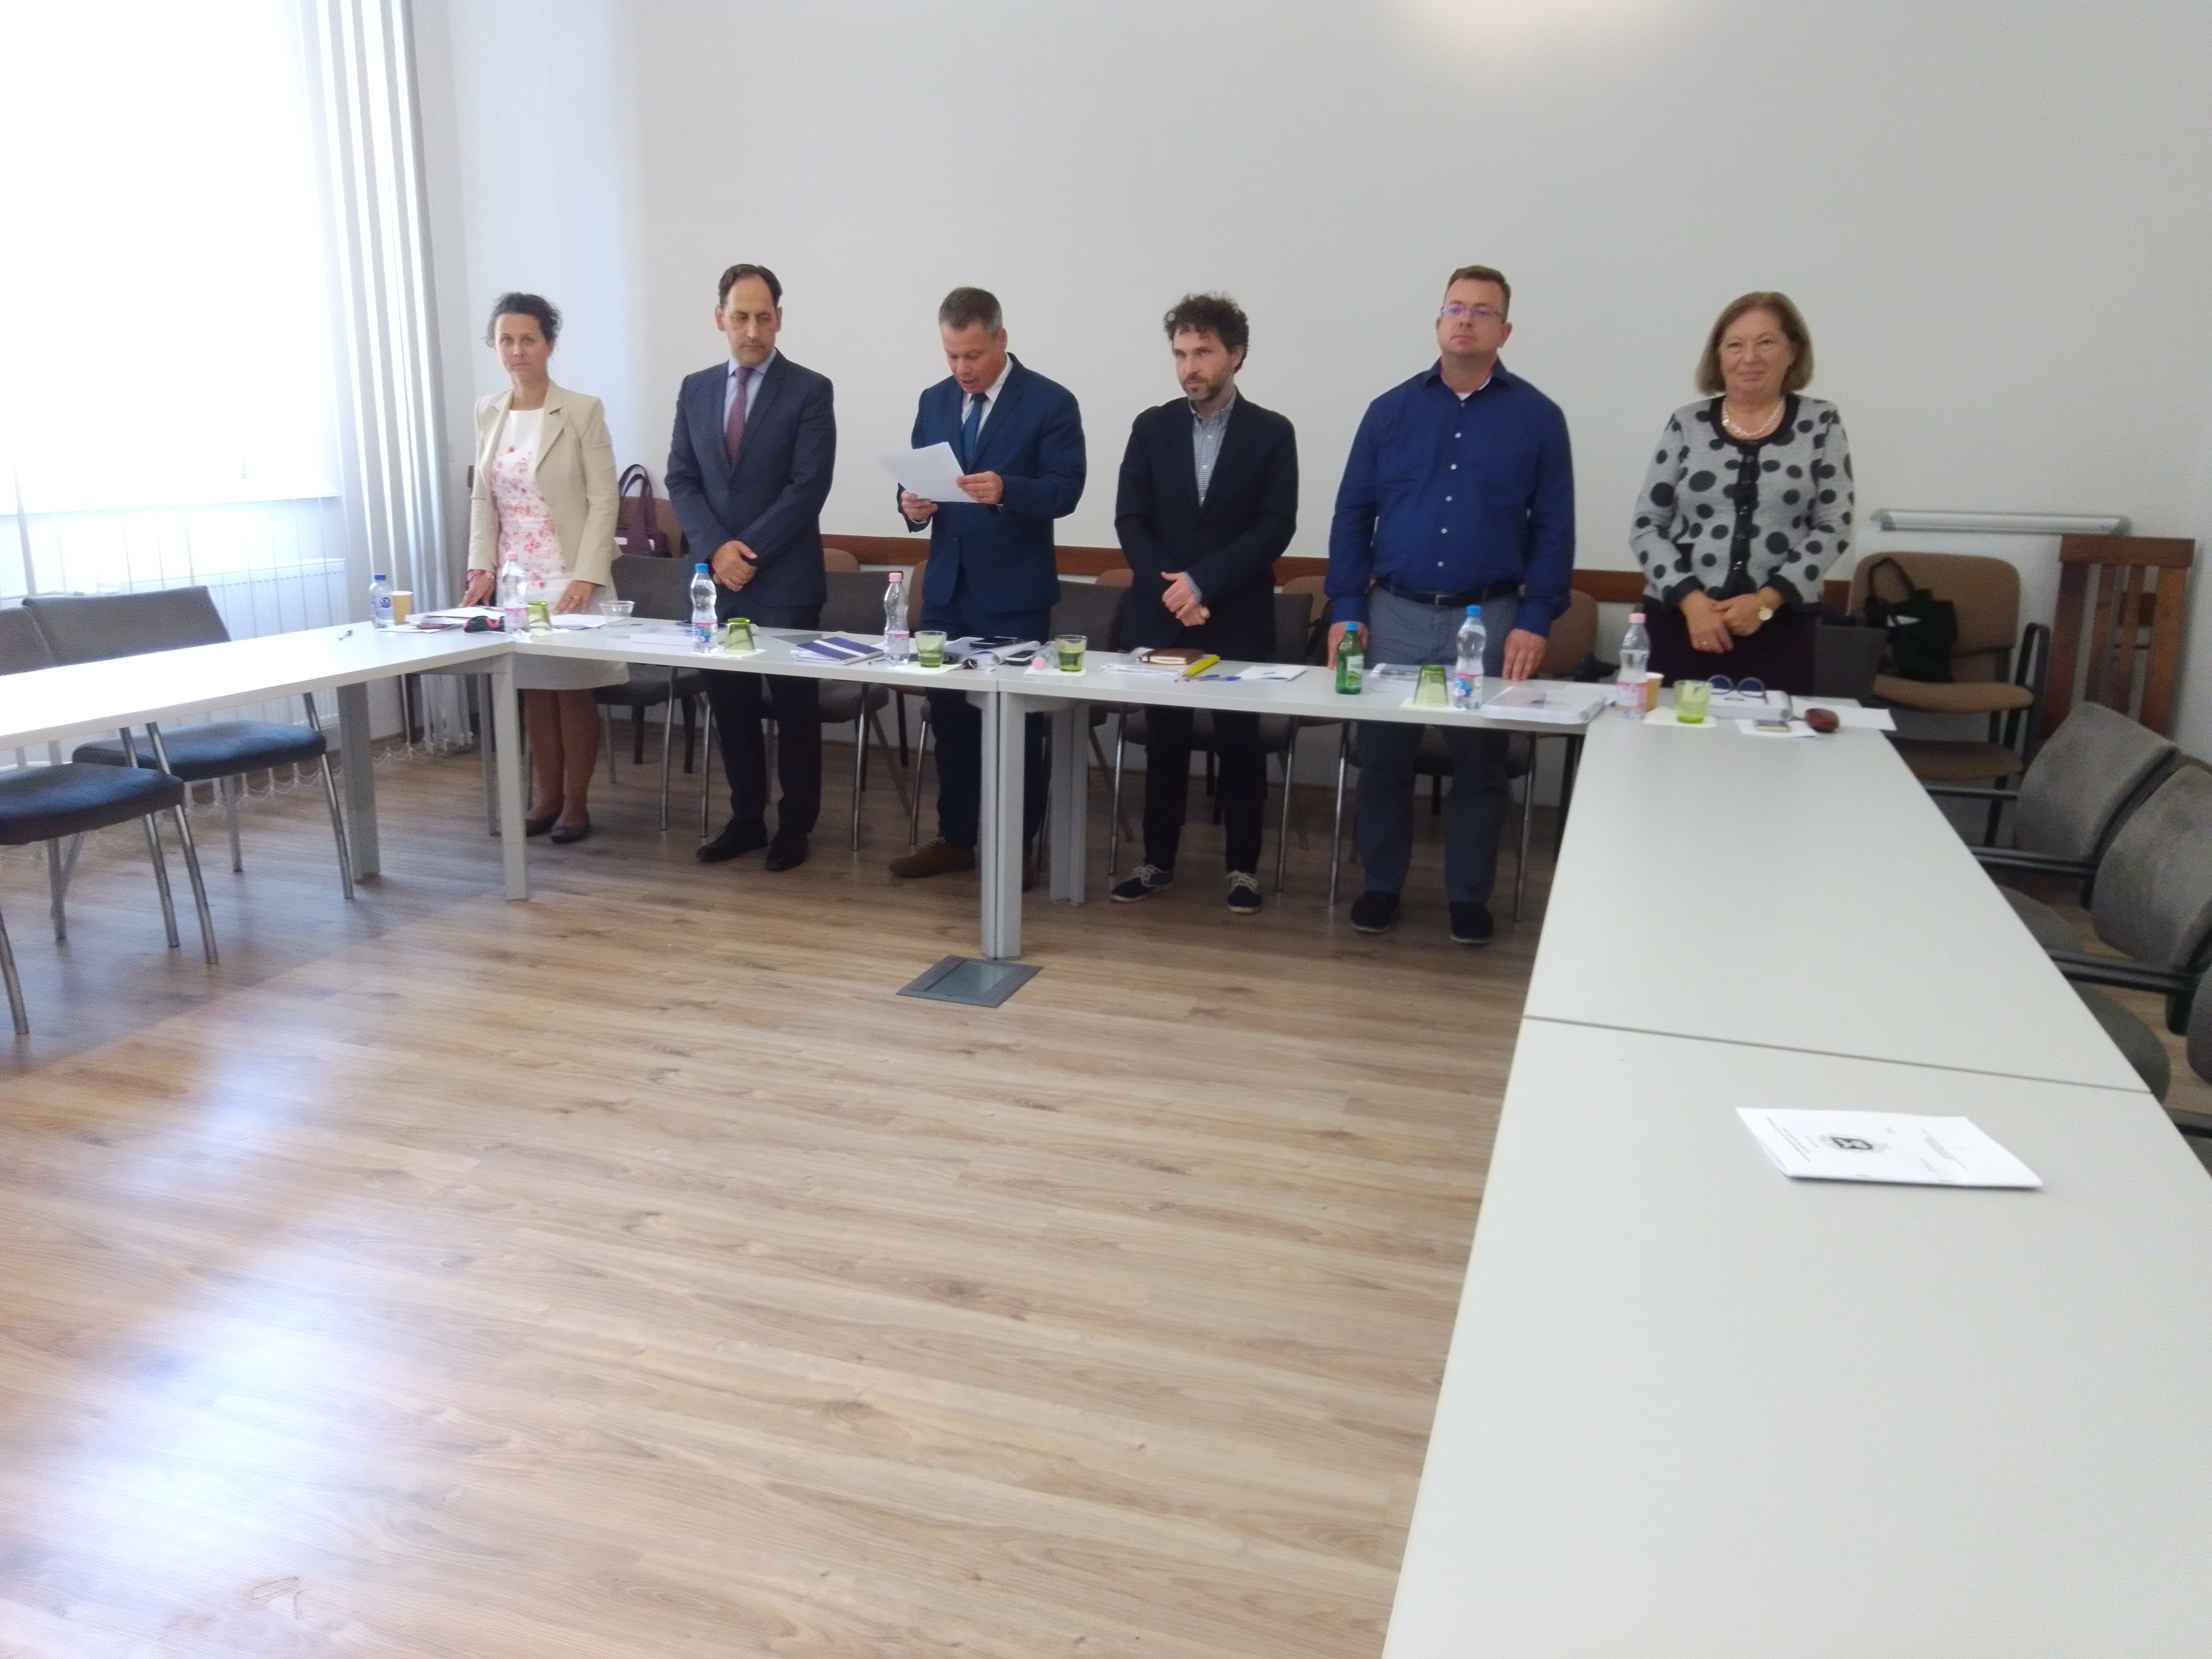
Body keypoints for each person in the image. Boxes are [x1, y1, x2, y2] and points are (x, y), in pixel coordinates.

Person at [1325, 264, 1573, 946]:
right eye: (1455, 307)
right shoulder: (1389, 412)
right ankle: (1381, 885)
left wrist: (1535, 618)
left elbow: (1554, 526)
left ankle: (1467, 895)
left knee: (1480, 766)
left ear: (1505, 331)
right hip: (1393, 613)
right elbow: (1353, 514)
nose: (1466, 320)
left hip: (1487, 617)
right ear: (1437, 321)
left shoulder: (1537, 419)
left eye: (1482, 311)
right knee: (1383, 759)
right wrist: (1346, 608)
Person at [1110, 294, 1297, 915]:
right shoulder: (1151, 427)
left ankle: (1242, 869)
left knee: (1239, 744)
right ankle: (1156, 862)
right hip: (1163, 614)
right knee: (1163, 744)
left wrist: (1202, 583)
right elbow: (1131, 519)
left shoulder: (1271, 433)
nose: (1189, 366)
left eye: (1202, 352)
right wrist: (1175, 591)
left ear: (1235, 355)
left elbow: (1273, 527)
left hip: (1235, 614)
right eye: (1180, 354)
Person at [890, 287, 1085, 880]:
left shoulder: (1050, 402)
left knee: (1017, 728)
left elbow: (1066, 490)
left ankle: (1016, 849)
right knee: (950, 720)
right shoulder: (934, 400)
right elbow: (917, 480)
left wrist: (1008, 490)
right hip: (948, 590)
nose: (962, 369)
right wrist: (911, 506)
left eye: (972, 355)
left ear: (1001, 340)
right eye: (952, 356)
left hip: (1015, 593)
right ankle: (955, 838)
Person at [666, 263, 837, 872]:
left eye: (764, 318)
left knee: (794, 710)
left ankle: (795, 825)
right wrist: (717, 550)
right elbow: (681, 479)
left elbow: (807, 487)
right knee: (731, 706)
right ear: (720, 319)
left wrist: (747, 553)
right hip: (716, 584)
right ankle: (745, 820)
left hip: (785, 581)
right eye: (740, 317)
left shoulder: (810, 390)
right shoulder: (695, 389)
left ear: (779, 319)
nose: (753, 330)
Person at [1629, 292, 1852, 694]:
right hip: (1683, 623)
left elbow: (1834, 525)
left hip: (1780, 628)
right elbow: (1647, 525)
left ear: (1792, 352)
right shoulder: (1687, 423)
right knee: (1672, 734)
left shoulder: (1822, 421)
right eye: (1735, 345)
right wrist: (1692, 603)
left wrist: (1765, 603)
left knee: (1771, 735)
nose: (1750, 357)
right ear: (1718, 356)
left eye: (1766, 342)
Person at [464, 292, 624, 844]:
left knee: (572, 691)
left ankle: (576, 804)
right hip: (516, 578)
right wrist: (480, 568)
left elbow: (604, 499)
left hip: (569, 575)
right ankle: (546, 798)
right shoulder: (488, 411)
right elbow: (483, 499)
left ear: (549, 345)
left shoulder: (581, 410)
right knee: (534, 689)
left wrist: (588, 575)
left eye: (528, 339)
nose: (517, 350)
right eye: (506, 340)